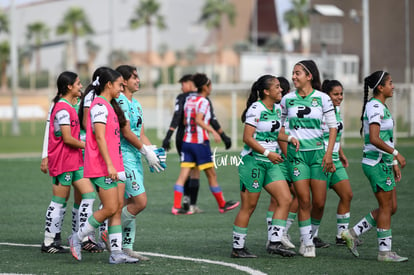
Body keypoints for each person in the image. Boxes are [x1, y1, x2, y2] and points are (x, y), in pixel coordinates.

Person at [69, 68, 138, 264]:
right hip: (103, 166)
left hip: (115, 164)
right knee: (109, 208)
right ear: (109, 84)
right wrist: (109, 165)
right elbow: (99, 137)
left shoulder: (109, 105)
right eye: (119, 85)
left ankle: (116, 254)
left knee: (116, 208)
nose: (121, 89)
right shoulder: (99, 106)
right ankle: (77, 237)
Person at [341, 71, 407, 262]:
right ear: (380, 87)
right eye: (390, 83)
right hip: (375, 163)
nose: (393, 86)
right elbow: (375, 138)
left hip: (384, 162)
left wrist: (393, 161)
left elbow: (388, 138)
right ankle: (384, 253)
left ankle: (352, 233)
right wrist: (396, 154)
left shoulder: (381, 106)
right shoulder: (375, 107)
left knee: (391, 207)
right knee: (386, 206)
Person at [231, 75, 298, 258]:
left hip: (270, 162)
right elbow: (247, 138)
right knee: (249, 206)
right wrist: (268, 153)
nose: (281, 90)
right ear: (266, 91)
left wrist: (290, 138)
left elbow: (276, 133)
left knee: (285, 198)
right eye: (277, 87)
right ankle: (238, 248)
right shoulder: (256, 108)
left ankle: (274, 243)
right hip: (253, 162)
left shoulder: (277, 108)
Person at [280, 60, 337, 257]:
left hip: (319, 155)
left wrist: (329, 154)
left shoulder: (323, 98)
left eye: (297, 73)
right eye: (293, 73)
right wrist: (286, 143)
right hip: (297, 157)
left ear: (309, 76)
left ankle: (310, 235)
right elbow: (278, 126)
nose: (294, 77)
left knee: (319, 202)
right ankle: (307, 243)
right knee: (304, 200)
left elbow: (333, 127)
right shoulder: (287, 99)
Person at [41, 71, 97, 254]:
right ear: (69, 87)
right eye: (78, 83)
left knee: (88, 195)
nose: (81, 86)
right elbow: (67, 138)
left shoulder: (71, 106)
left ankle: (80, 235)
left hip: (75, 160)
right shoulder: (62, 108)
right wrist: (88, 146)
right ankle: (49, 241)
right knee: (59, 201)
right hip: (63, 161)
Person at [162, 74, 232, 213]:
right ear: (205, 87)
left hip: (186, 140)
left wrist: (169, 135)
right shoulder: (204, 101)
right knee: (211, 174)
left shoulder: (188, 100)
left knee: (183, 176)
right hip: (199, 143)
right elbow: (200, 120)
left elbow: (182, 120)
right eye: (210, 85)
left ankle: (177, 206)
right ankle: (222, 204)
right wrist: (215, 132)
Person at [115, 65, 164, 261]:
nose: (138, 80)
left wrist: (153, 151)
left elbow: (140, 134)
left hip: (135, 156)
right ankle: (108, 228)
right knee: (140, 202)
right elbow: (126, 133)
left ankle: (126, 247)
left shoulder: (136, 104)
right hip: (123, 156)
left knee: (129, 202)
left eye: (138, 76)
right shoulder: (119, 101)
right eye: (134, 77)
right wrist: (145, 151)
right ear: (123, 81)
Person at [318, 80, 354, 246]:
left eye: (341, 94)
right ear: (326, 95)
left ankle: (342, 236)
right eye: (336, 94)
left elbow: (335, 134)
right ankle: (311, 236)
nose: (340, 97)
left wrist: (340, 153)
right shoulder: (318, 112)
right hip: (322, 160)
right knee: (318, 202)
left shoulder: (337, 110)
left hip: (335, 160)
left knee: (347, 195)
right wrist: (327, 155)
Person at [265, 76, 297, 250]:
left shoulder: (277, 108)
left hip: (277, 158)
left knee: (279, 199)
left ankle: (275, 236)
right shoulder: (278, 109)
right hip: (279, 159)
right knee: (293, 195)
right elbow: (280, 135)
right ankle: (279, 233)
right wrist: (289, 158)